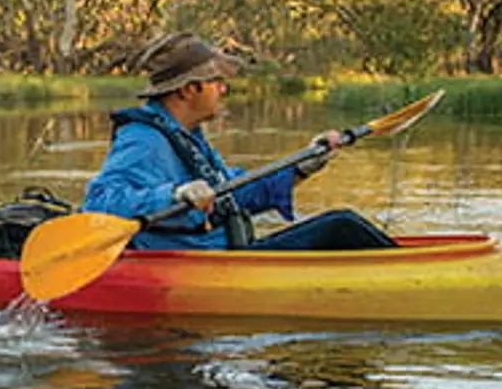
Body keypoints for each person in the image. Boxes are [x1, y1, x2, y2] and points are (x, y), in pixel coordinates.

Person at [80, 32, 397, 251]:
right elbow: (101, 203)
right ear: (188, 89)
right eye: (215, 81)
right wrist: (174, 194)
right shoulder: (144, 139)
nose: (223, 89)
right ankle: (408, 277)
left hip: (225, 252)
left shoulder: (188, 136)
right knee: (340, 226)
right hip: (198, 262)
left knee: (340, 227)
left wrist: (301, 167)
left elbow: (232, 193)